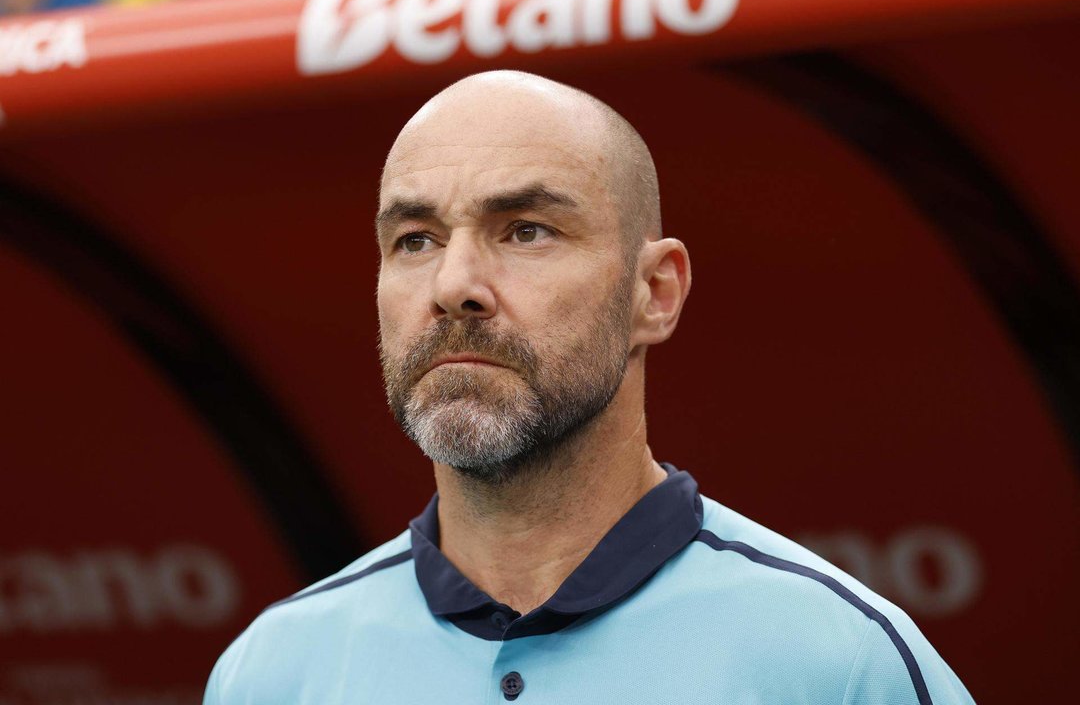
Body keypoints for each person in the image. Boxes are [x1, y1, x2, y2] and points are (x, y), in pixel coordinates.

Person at [204, 70, 974, 705]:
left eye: (526, 229)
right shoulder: (271, 673)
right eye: (416, 240)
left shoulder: (839, 664)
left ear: (655, 293)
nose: (454, 284)